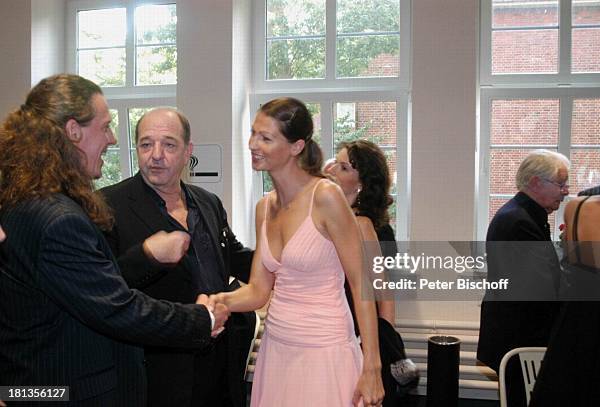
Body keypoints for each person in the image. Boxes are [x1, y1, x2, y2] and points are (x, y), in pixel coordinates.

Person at [0, 74, 228, 406]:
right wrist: (201, 318)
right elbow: (116, 307)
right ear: (74, 131)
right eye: (105, 126)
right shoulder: (57, 219)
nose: (110, 139)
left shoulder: (24, 199)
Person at [208, 97, 384, 406]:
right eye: (253, 133)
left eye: (265, 137)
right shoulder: (264, 207)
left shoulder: (326, 197)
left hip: (324, 349)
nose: (253, 144)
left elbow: (361, 284)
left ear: (296, 146)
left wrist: (372, 365)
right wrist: (218, 301)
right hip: (276, 348)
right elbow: (259, 292)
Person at [101, 107, 254, 407]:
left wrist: (284, 260)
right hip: (160, 366)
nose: (156, 154)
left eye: (169, 144)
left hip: (221, 356)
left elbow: (233, 257)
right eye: (146, 144)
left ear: (188, 152)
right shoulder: (107, 205)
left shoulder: (207, 202)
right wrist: (147, 256)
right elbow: (103, 288)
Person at [477, 149, 569, 407]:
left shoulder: (524, 215)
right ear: (536, 182)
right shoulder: (519, 221)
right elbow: (541, 290)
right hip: (520, 337)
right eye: (561, 184)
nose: (565, 191)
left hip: (517, 333)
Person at [530, 134, 600, 406]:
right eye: (560, 183)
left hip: (579, 333)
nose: (566, 190)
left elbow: (576, 273)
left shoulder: (578, 209)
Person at [324, 139, 407, 406]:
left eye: (344, 167)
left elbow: (383, 292)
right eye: (335, 162)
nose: (332, 169)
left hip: (357, 331)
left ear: (361, 183)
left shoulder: (366, 226)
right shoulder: (336, 217)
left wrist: (379, 347)